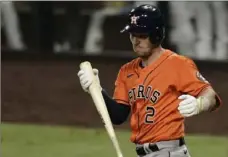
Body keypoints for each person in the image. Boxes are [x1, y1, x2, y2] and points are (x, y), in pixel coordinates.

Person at [78, 4, 222, 157]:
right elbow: (119, 116)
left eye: (142, 35)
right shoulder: (126, 72)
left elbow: (211, 96)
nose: (136, 40)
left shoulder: (177, 64)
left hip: (170, 152)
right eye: (133, 34)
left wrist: (200, 104)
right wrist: (97, 89)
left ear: (156, 35)